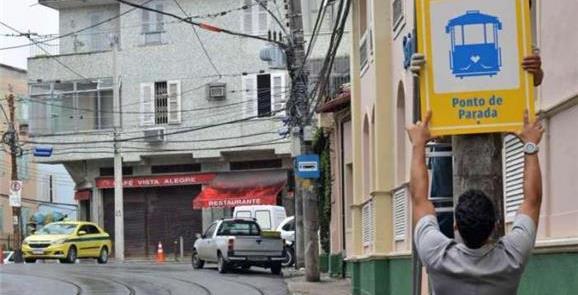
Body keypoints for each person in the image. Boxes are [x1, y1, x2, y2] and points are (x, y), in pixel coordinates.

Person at [407, 110, 543, 294]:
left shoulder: (437, 256)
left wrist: (418, 145)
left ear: (455, 225)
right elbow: (532, 200)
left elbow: (419, 199)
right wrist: (530, 146)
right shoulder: (512, 257)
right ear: (494, 225)